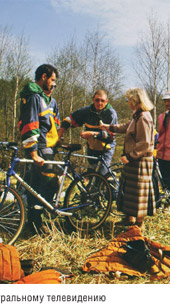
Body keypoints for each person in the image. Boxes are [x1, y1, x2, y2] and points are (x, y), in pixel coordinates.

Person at [100, 88, 155, 230]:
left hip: (140, 160)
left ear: (136, 101)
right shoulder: (136, 115)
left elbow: (145, 143)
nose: (127, 103)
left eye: (129, 100)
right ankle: (129, 218)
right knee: (128, 191)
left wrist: (130, 157)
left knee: (139, 192)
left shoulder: (144, 117)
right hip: (134, 159)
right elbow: (126, 127)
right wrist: (109, 127)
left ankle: (138, 224)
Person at [18, 64, 60, 233]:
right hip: (39, 148)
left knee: (41, 185)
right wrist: (33, 152)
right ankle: (36, 221)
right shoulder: (34, 97)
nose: (54, 85)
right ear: (43, 77)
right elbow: (30, 125)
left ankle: (35, 220)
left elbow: (53, 125)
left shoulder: (51, 101)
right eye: (52, 80)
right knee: (44, 185)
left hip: (48, 148)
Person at [58, 90, 118, 175]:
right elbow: (70, 119)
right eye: (97, 100)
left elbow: (111, 135)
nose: (99, 103)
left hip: (106, 149)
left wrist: (92, 134)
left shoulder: (111, 114)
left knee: (101, 176)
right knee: (91, 175)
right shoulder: (86, 111)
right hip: (92, 148)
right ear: (93, 100)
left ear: (107, 101)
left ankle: (111, 184)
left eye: (102, 101)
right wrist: (59, 135)